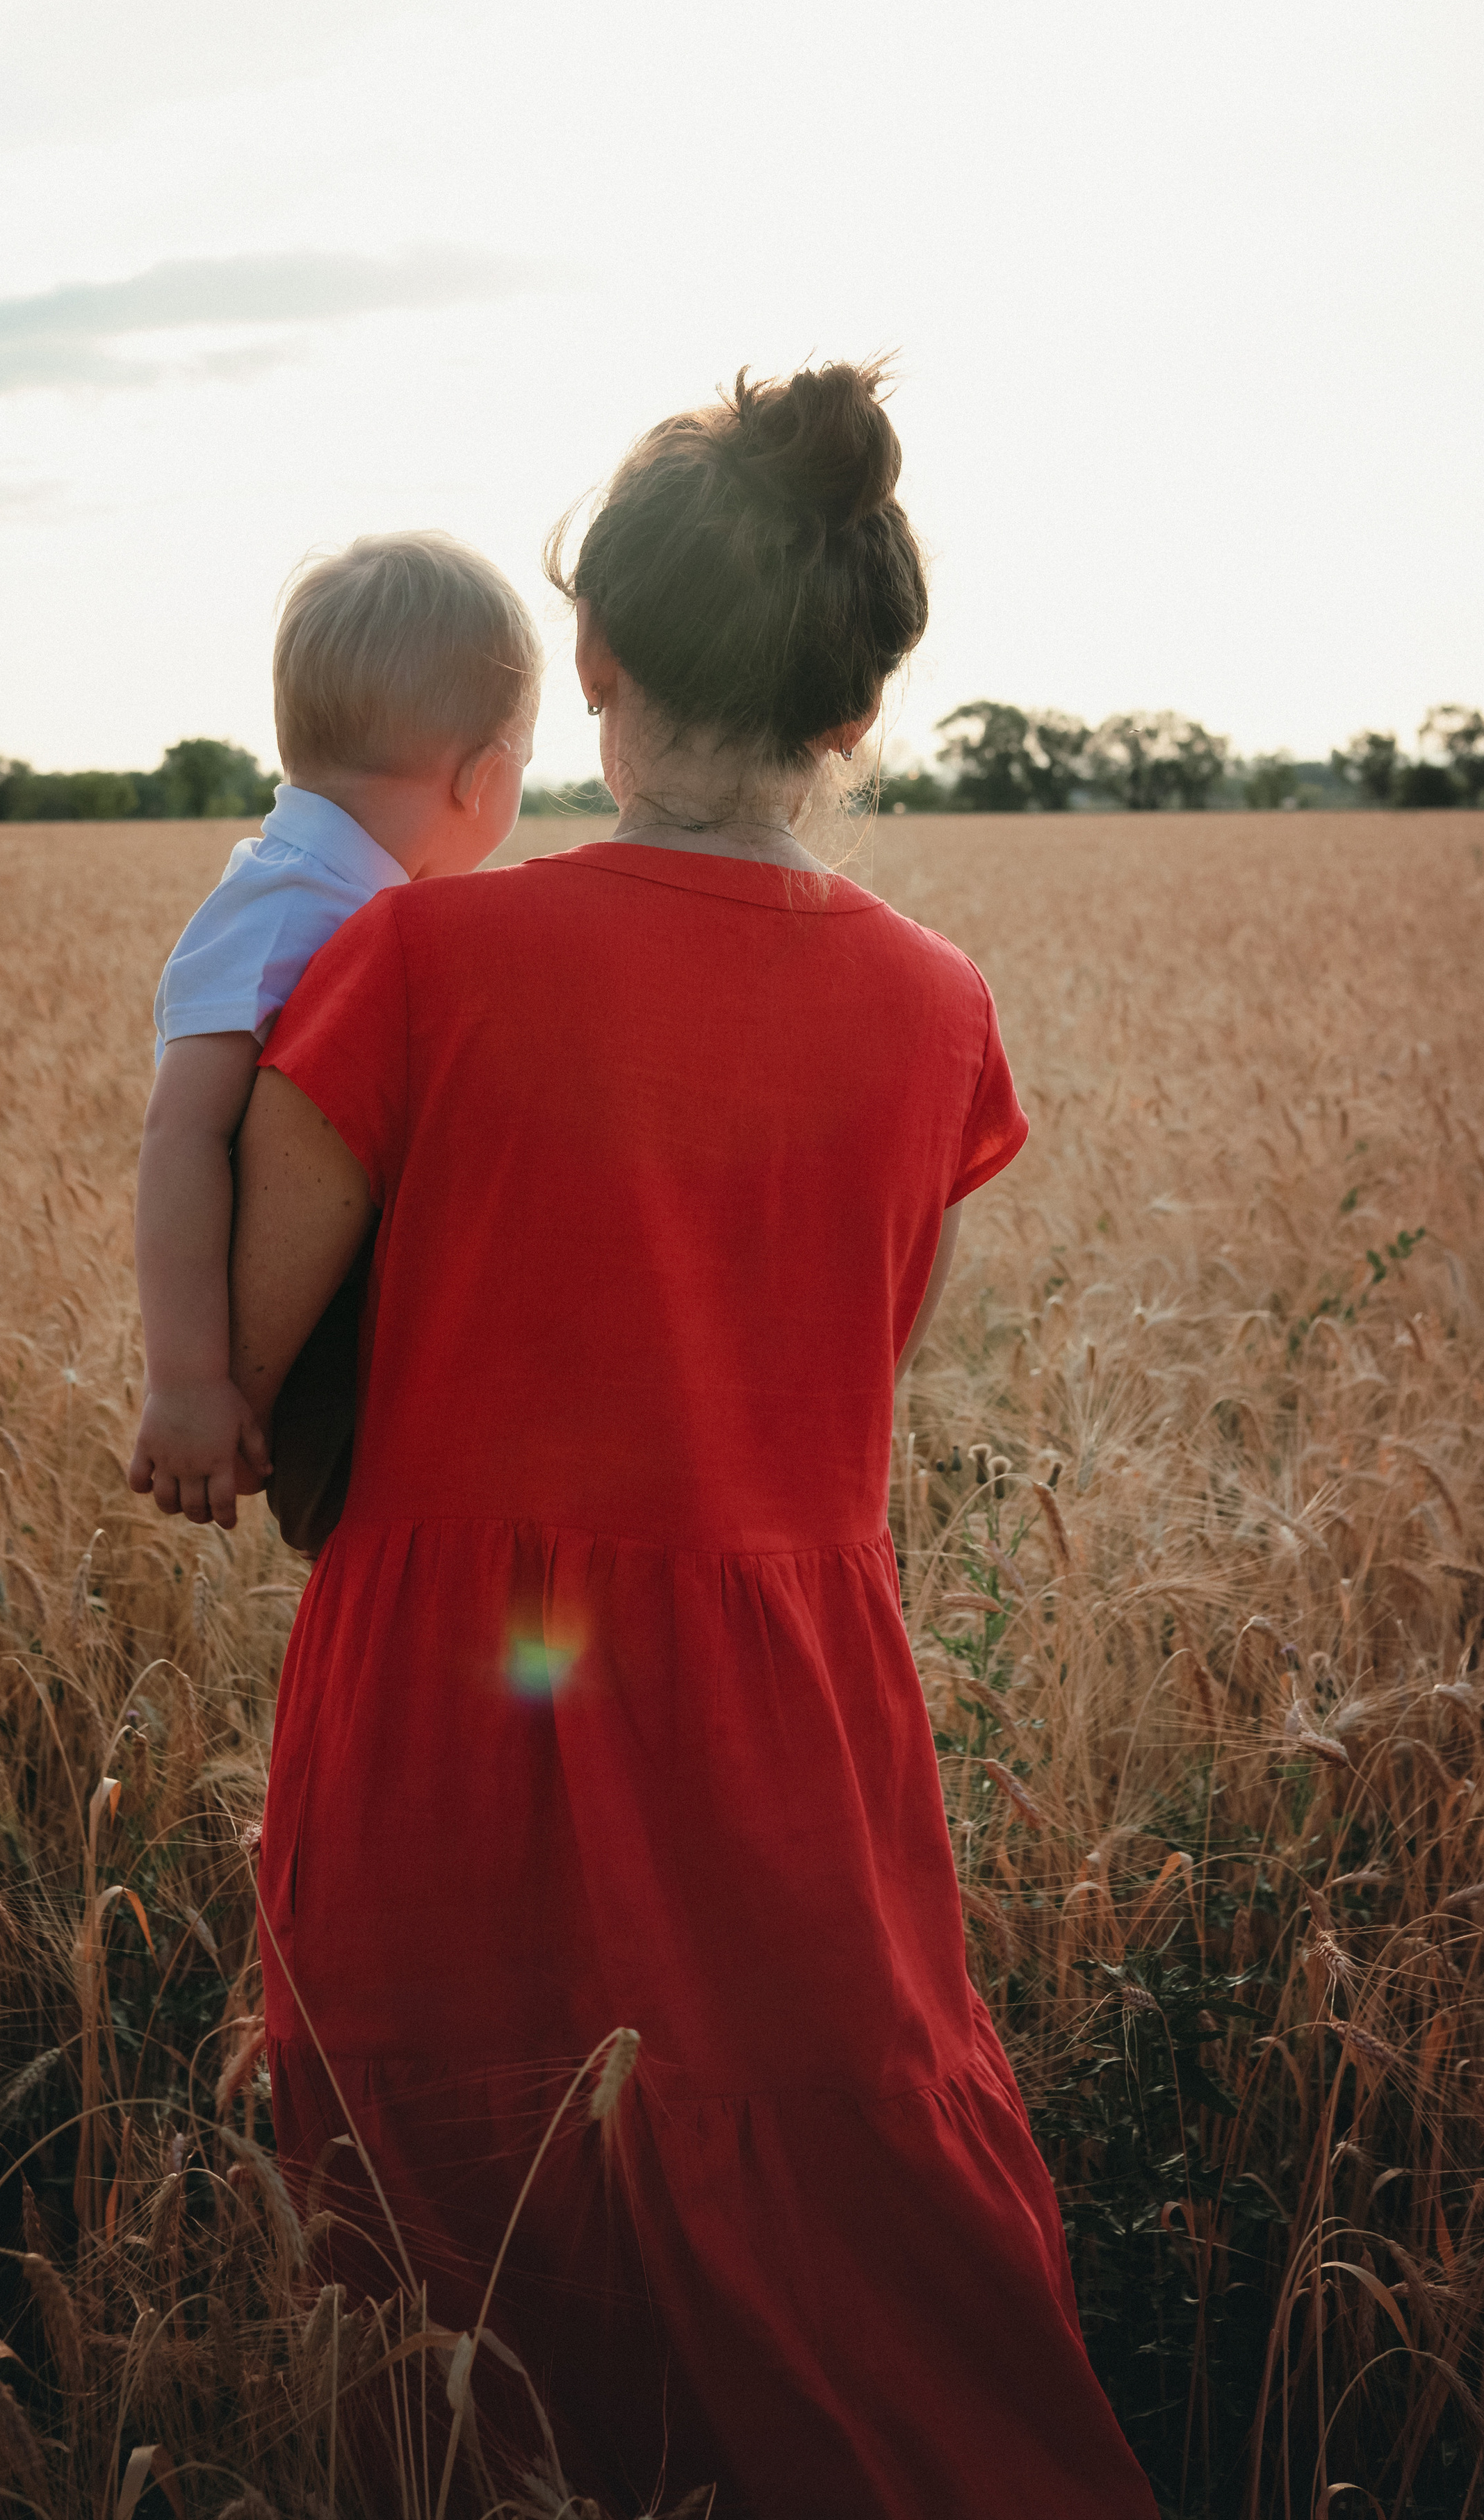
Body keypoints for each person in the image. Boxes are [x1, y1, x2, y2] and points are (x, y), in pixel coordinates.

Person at [225, 366, 1158, 2517]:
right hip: (788, 1739)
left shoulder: (419, 959)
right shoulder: (940, 1010)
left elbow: (260, 1366)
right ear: (853, 714)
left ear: (600, 669)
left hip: (448, 1718)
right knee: (868, 2251)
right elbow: (858, 1375)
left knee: (460, 2282)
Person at [127, 532, 541, 1529]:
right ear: (483, 779)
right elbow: (179, 1137)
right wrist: (187, 1380)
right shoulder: (282, 910)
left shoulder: (359, 895)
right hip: (292, 1344)